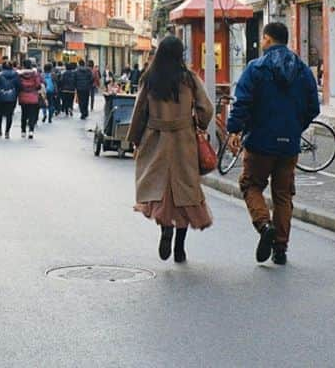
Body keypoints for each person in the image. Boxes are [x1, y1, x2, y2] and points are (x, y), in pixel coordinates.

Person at [226, 22, 320, 266]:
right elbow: (314, 107)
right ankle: (280, 248)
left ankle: (264, 225)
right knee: (283, 195)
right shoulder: (302, 70)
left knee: (251, 184)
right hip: (289, 145)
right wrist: (295, 126)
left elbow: (242, 101)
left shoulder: (256, 68)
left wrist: (235, 129)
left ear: (267, 39)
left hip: (260, 141)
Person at [129, 35, 214, 262]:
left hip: (155, 139)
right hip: (183, 140)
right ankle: (179, 247)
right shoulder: (189, 79)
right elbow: (206, 108)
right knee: (184, 192)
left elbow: (139, 111)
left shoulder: (150, 79)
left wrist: (135, 138)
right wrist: (199, 124)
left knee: (160, 189)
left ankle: (165, 230)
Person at [18, 59, 46, 139]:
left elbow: (18, 85)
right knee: (32, 115)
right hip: (33, 96)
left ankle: (23, 131)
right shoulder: (35, 74)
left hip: (23, 96)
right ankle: (31, 131)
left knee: (24, 114)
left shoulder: (20, 74)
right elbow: (38, 85)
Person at [0, 60, 20, 138]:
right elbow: (18, 86)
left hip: (0, 96)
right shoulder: (16, 74)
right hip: (12, 97)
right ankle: (7, 132)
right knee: (9, 115)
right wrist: (16, 95)